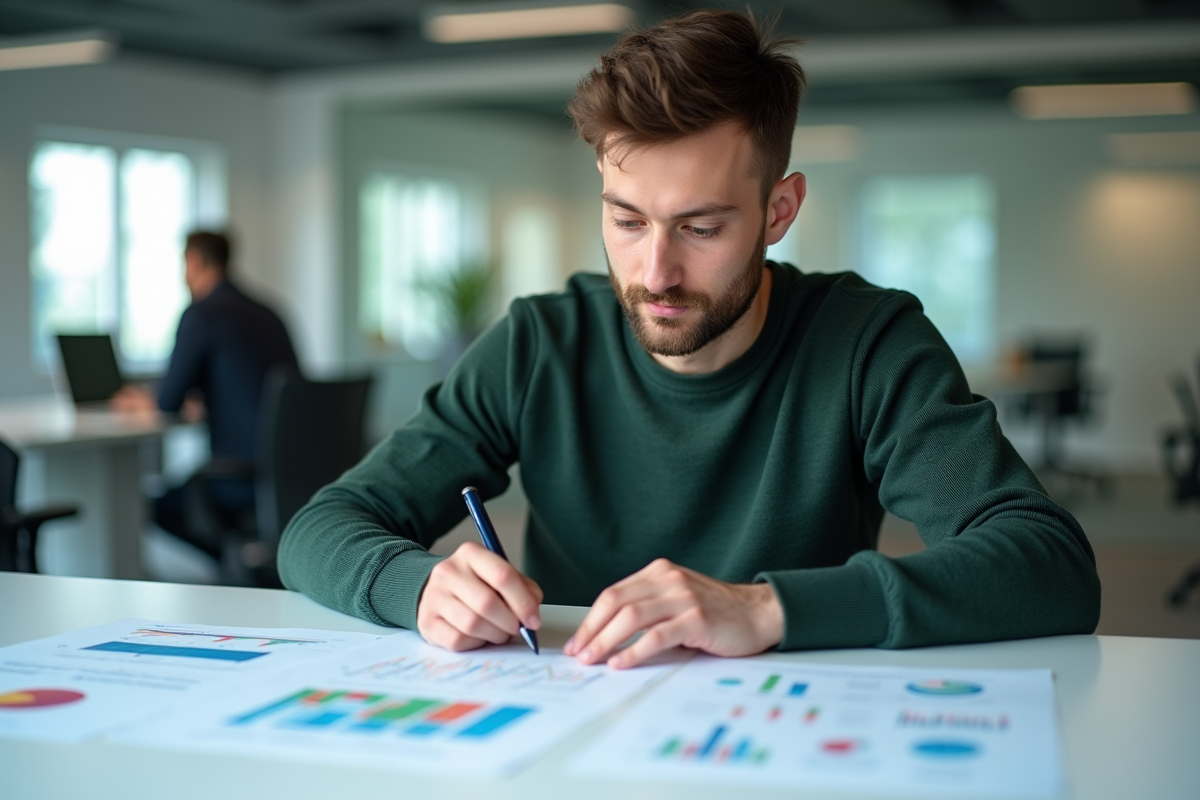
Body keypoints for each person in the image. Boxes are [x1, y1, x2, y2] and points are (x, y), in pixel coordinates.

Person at [278, 10, 1100, 668]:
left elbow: (1048, 564)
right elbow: (322, 527)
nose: (656, 271)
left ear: (780, 210)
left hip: (779, 736)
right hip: (568, 731)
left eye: (701, 227)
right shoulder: (541, 343)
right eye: (626, 220)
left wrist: (767, 608)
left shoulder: (867, 342)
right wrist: (414, 584)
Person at [114, 230, 299, 559]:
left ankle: (236, 561)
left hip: (238, 475)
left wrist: (145, 400)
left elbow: (167, 402)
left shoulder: (201, 314)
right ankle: (247, 561)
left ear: (194, 261)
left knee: (153, 508)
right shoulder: (269, 312)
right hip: (288, 469)